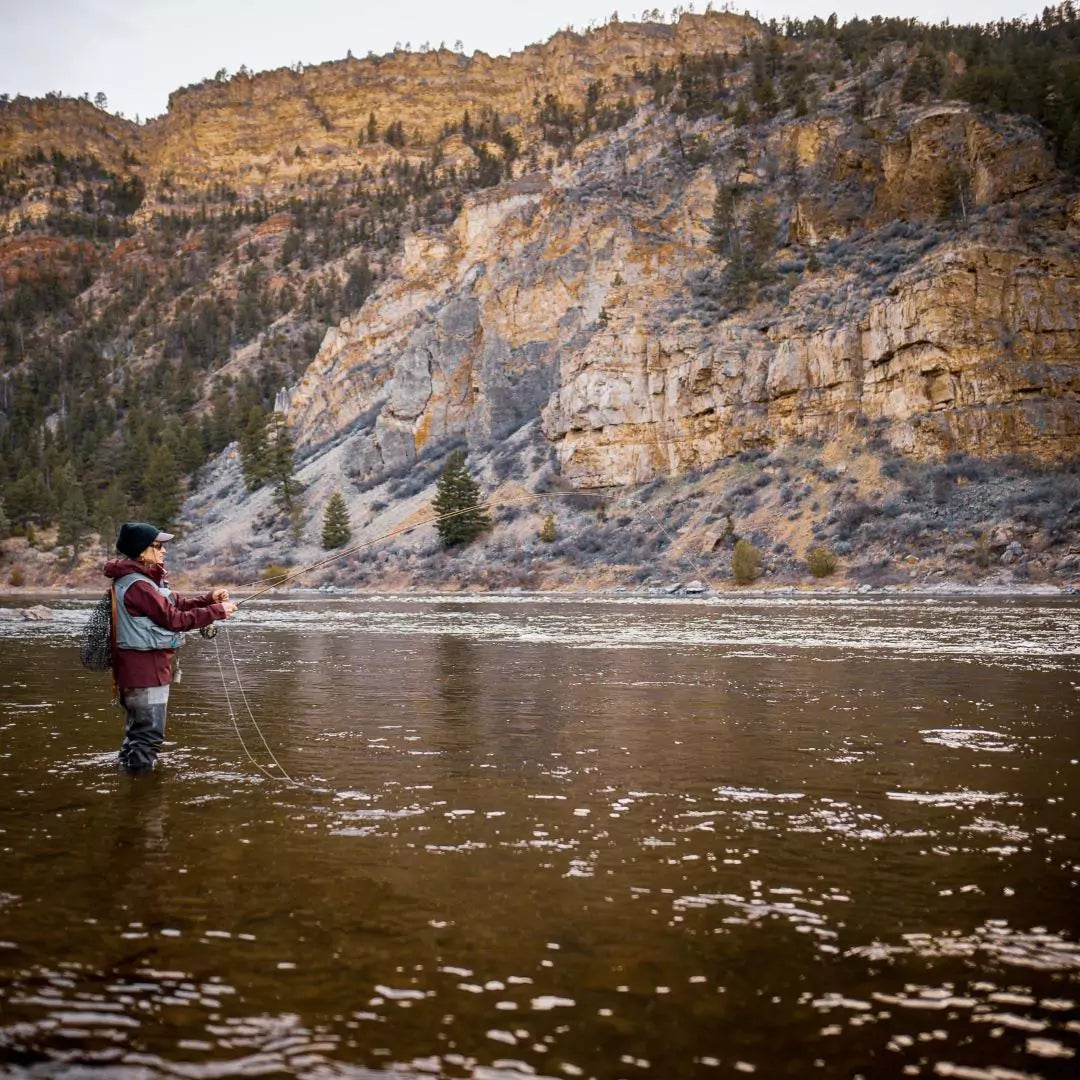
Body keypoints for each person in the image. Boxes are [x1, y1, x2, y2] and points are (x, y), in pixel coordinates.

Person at [103, 521, 236, 772]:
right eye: (158, 545)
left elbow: (175, 603)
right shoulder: (139, 585)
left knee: (138, 736)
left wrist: (209, 599)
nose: (164, 550)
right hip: (145, 671)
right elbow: (174, 620)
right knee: (147, 737)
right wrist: (217, 612)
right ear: (143, 551)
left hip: (140, 669)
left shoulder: (142, 581)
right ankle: (141, 798)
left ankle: (129, 785)